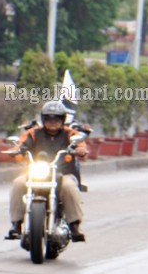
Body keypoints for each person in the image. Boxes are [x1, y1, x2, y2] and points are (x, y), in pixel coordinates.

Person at [6, 99, 89, 241]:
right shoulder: (33, 133)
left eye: (56, 118)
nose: (52, 121)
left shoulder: (70, 133)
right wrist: (16, 150)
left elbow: (81, 144)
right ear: (43, 119)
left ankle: (74, 225)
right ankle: (16, 223)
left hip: (63, 173)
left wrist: (80, 149)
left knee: (69, 187)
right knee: (18, 183)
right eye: (49, 118)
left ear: (62, 119)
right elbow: (21, 144)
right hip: (37, 172)